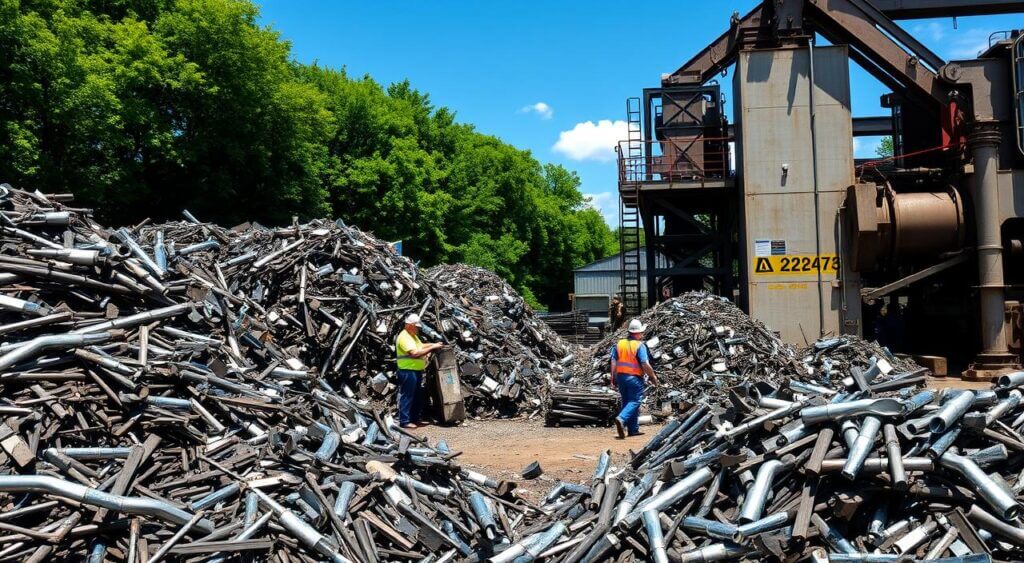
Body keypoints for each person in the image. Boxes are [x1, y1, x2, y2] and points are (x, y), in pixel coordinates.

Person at [610, 318, 659, 439]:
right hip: (634, 378)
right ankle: (621, 419)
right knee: (635, 401)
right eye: (641, 332)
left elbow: (613, 361)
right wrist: (653, 377)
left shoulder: (619, 344)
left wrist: (613, 377)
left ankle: (633, 429)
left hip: (621, 377)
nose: (642, 335)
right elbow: (644, 364)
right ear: (637, 333)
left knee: (627, 402)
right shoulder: (639, 345)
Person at [395, 313, 443, 429]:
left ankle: (415, 419)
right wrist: (432, 347)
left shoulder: (412, 336)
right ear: (410, 325)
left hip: (415, 370)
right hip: (407, 370)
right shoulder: (404, 337)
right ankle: (405, 421)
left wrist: (434, 344)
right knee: (407, 396)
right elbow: (415, 353)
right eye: (416, 327)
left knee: (417, 396)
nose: (418, 329)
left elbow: (421, 346)